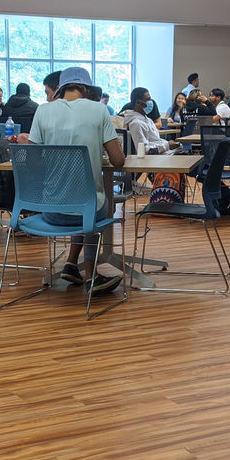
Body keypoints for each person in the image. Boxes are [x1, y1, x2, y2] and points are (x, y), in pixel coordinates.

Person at [28, 67, 125, 295]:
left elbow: (31, 160)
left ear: (61, 88)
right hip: (87, 210)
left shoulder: (43, 111)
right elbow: (118, 160)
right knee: (93, 204)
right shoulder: (99, 110)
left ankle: (72, 263)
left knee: (79, 201)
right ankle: (91, 275)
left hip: (50, 209)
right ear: (85, 88)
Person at [122, 88, 177, 154]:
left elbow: (155, 141)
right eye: (148, 100)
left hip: (159, 156)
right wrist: (167, 145)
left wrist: (169, 144)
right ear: (138, 102)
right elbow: (144, 150)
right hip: (151, 160)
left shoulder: (148, 120)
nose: (151, 102)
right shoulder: (136, 123)